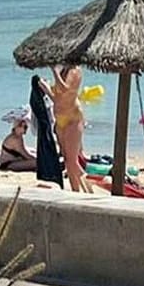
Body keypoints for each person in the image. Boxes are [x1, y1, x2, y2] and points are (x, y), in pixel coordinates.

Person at [49, 64, 87, 192]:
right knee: (67, 160)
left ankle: (87, 187)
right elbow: (58, 98)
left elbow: (66, 89)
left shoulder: (75, 70)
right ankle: (75, 190)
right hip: (60, 119)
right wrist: (46, 89)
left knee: (72, 161)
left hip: (72, 118)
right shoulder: (63, 71)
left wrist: (55, 72)